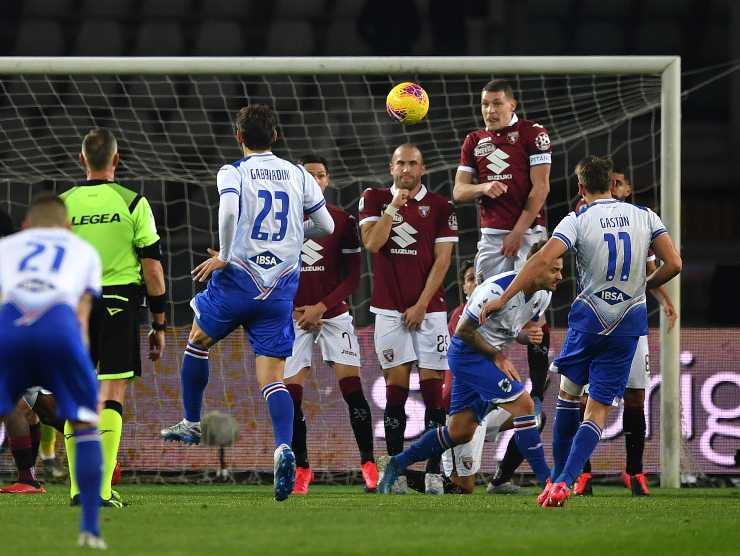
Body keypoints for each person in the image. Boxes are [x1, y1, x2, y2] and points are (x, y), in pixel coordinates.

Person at [480, 155, 682, 507]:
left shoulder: (577, 219)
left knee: (569, 399)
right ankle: (564, 482)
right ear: (612, 183)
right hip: (627, 324)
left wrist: (504, 298)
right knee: (599, 411)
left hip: (589, 320)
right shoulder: (646, 216)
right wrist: (643, 286)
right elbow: (675, 263)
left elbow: (542, 259)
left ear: (581, 187)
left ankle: (559, 479)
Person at [160, 105, 334, 501]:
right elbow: (327, 226)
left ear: (239, 137)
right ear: (275, 135)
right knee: (272, 377)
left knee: (197, 341)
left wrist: (224, 252)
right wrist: (292, 234)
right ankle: (283, 447)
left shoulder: (232, 171)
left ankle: (190, 420)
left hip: (239, 279)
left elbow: (229, 208)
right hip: (279, 288)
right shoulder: (299, 174)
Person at [378, 241, 562, 494]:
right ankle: (549, 483)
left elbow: (511, 326)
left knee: (459, 432)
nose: (560, 276)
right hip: (468, 356)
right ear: (535, 267)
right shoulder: (495, 290)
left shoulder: (543, 295)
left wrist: (524, 337)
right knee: (525, 407)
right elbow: (463, 332)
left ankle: (396, 464)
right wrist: (497, 357)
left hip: (485, 359)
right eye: (554, 269)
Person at [453, 78, 553, 485]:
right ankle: (489, 391)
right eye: (484, 104)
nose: (489, 110)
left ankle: (532, 388)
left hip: (527, 232)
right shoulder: (474, 140)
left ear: (513, 102)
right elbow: (460, 191)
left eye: (496, 103)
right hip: (493, 236)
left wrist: (520, 230)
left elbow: (542, 187)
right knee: (485, 311)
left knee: (535, 312)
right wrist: (483, 187)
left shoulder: (534, 133)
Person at [60, 127, 167, 507]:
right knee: (110, 394)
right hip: (119, 303)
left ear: (82, 159)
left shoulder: (62, 204)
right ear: (117, 160)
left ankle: (78, 489)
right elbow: (153, 270)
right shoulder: (133, 202)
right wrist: (159, 323)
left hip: (72, 306)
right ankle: (100, 489)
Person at [0, 193, 105, 548]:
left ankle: (30, 474)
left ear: (26, 225)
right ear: (68, 226)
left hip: (11, 330)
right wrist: (80, 366)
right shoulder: (84, 251)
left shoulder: (8, 247)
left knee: (14, 409)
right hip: (61, 330)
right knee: (84, 421)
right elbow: (83, 312)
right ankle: (90, 525)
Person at [359, 143, 458, 495]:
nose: (406, 168)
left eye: (413, 163)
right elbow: (372, 244)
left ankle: (433, 473)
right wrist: (391, 209)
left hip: (429, 312)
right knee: (395, 393)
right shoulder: (373, 198)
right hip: (388, 311)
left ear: (423, 168)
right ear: (391, 167)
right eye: (400, 162)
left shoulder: (442, 206)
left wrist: (420, 304)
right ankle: (396, 471)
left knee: (434, 396)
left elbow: (442, 261)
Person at [574, 171, 678, 497]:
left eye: (620, 183)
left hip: (631, 325)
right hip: (595, 321)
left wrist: (663, 300)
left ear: (628, 188)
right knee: (585, 399)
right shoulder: (583, 217)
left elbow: (650, 271)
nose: (615, 188)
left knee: (635, 397)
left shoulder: (639, 223)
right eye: (611, 183)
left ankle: (634, 471)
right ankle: (582, 474)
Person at [283, 154, 378, 494]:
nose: (315, 180)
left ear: (327, 181)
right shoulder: (282, 222)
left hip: (333, 315)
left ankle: (369, 463)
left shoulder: (342, 220)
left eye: (320, 175)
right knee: (290, 395)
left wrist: (321, 307)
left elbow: (353, 278)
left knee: (351, 388)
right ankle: (302, 468)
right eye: (309, 175)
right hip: (294, 317)